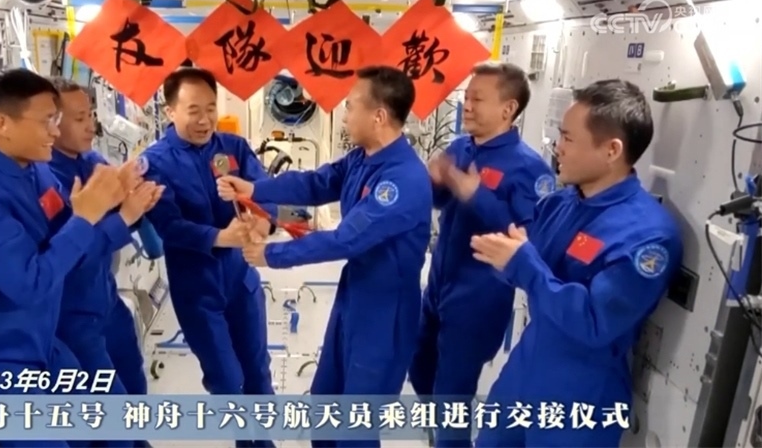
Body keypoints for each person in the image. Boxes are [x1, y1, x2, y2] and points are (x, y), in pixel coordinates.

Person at [217, 65, 433, 448]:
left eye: (350, 106)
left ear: (378, 116)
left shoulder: (403, 180)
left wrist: (272, 254)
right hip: (353, 298)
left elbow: (346, 240)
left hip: (384, 312)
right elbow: (317, 183)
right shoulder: (363, 158)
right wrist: (255, 189)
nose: (344, 114)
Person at [0, 68, 147, 447]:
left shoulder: (37, 173)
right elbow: (31, 282)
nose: (55, 130)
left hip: (45, 347)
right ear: (2, 124)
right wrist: (86, 217)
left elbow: (72, 250)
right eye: (47, 120)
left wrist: (113, 207)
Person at [470, 79, 683, 447]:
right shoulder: (560, 204)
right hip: (526, 369)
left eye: (568, 138)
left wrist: (523, 264)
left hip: (580, 394)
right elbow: (523, 265)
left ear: (612, 150)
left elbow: (594, 322)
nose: (558, 147)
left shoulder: (648, 237)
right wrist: (504, 256)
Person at [407, 61, 555, 446]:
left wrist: (476, 195)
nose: (467, 106)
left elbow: (528, 237)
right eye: (467, 97)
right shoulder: (461, 148)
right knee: (420, 368)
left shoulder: (529, 168)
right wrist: (435, 183)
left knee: (452, 396)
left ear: (508, 109)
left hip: (479, 297)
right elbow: (443, 201)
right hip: (439, 283)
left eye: (478, 99)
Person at [142, 68, 277, 448]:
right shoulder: (155, 163)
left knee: (257, 371)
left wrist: (262, 223)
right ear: (170, 111)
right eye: (193, 110)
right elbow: (168, 226)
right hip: (197, 286)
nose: (204, 120)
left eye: (211, 108)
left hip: (241, 281)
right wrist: (221, 236)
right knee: (227, 379)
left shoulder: (233, 148)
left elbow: (266, 192)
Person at [46, 77, 162, 448]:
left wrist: (137, 201)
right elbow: (71, 255)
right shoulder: (47, 181)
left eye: (91, 115)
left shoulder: (93, 162)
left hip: (107, 304)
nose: (91, 125)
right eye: (79, 118)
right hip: (72, 317)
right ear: (52, 122)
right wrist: (124, 216)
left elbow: (122, 209)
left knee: (134, 392)